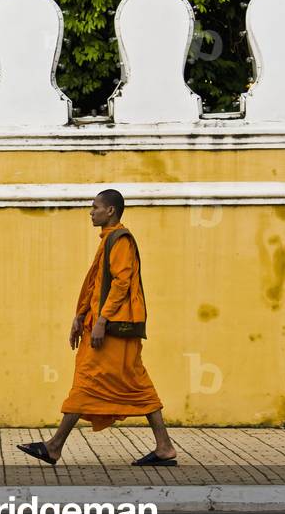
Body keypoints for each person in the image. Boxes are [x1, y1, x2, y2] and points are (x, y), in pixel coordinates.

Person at [17, 189, 178, 467]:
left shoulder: (120, 240)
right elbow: (95, 284)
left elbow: (121, 283)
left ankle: (54, 447)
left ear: (110, 211)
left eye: (95, 207)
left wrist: (102, 320)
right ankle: (164, 447)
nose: (91, 212)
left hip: (114, 327)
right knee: (135, 383)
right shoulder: (108, 241)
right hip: (105, 324)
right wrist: (80, 315)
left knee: (89, 380)